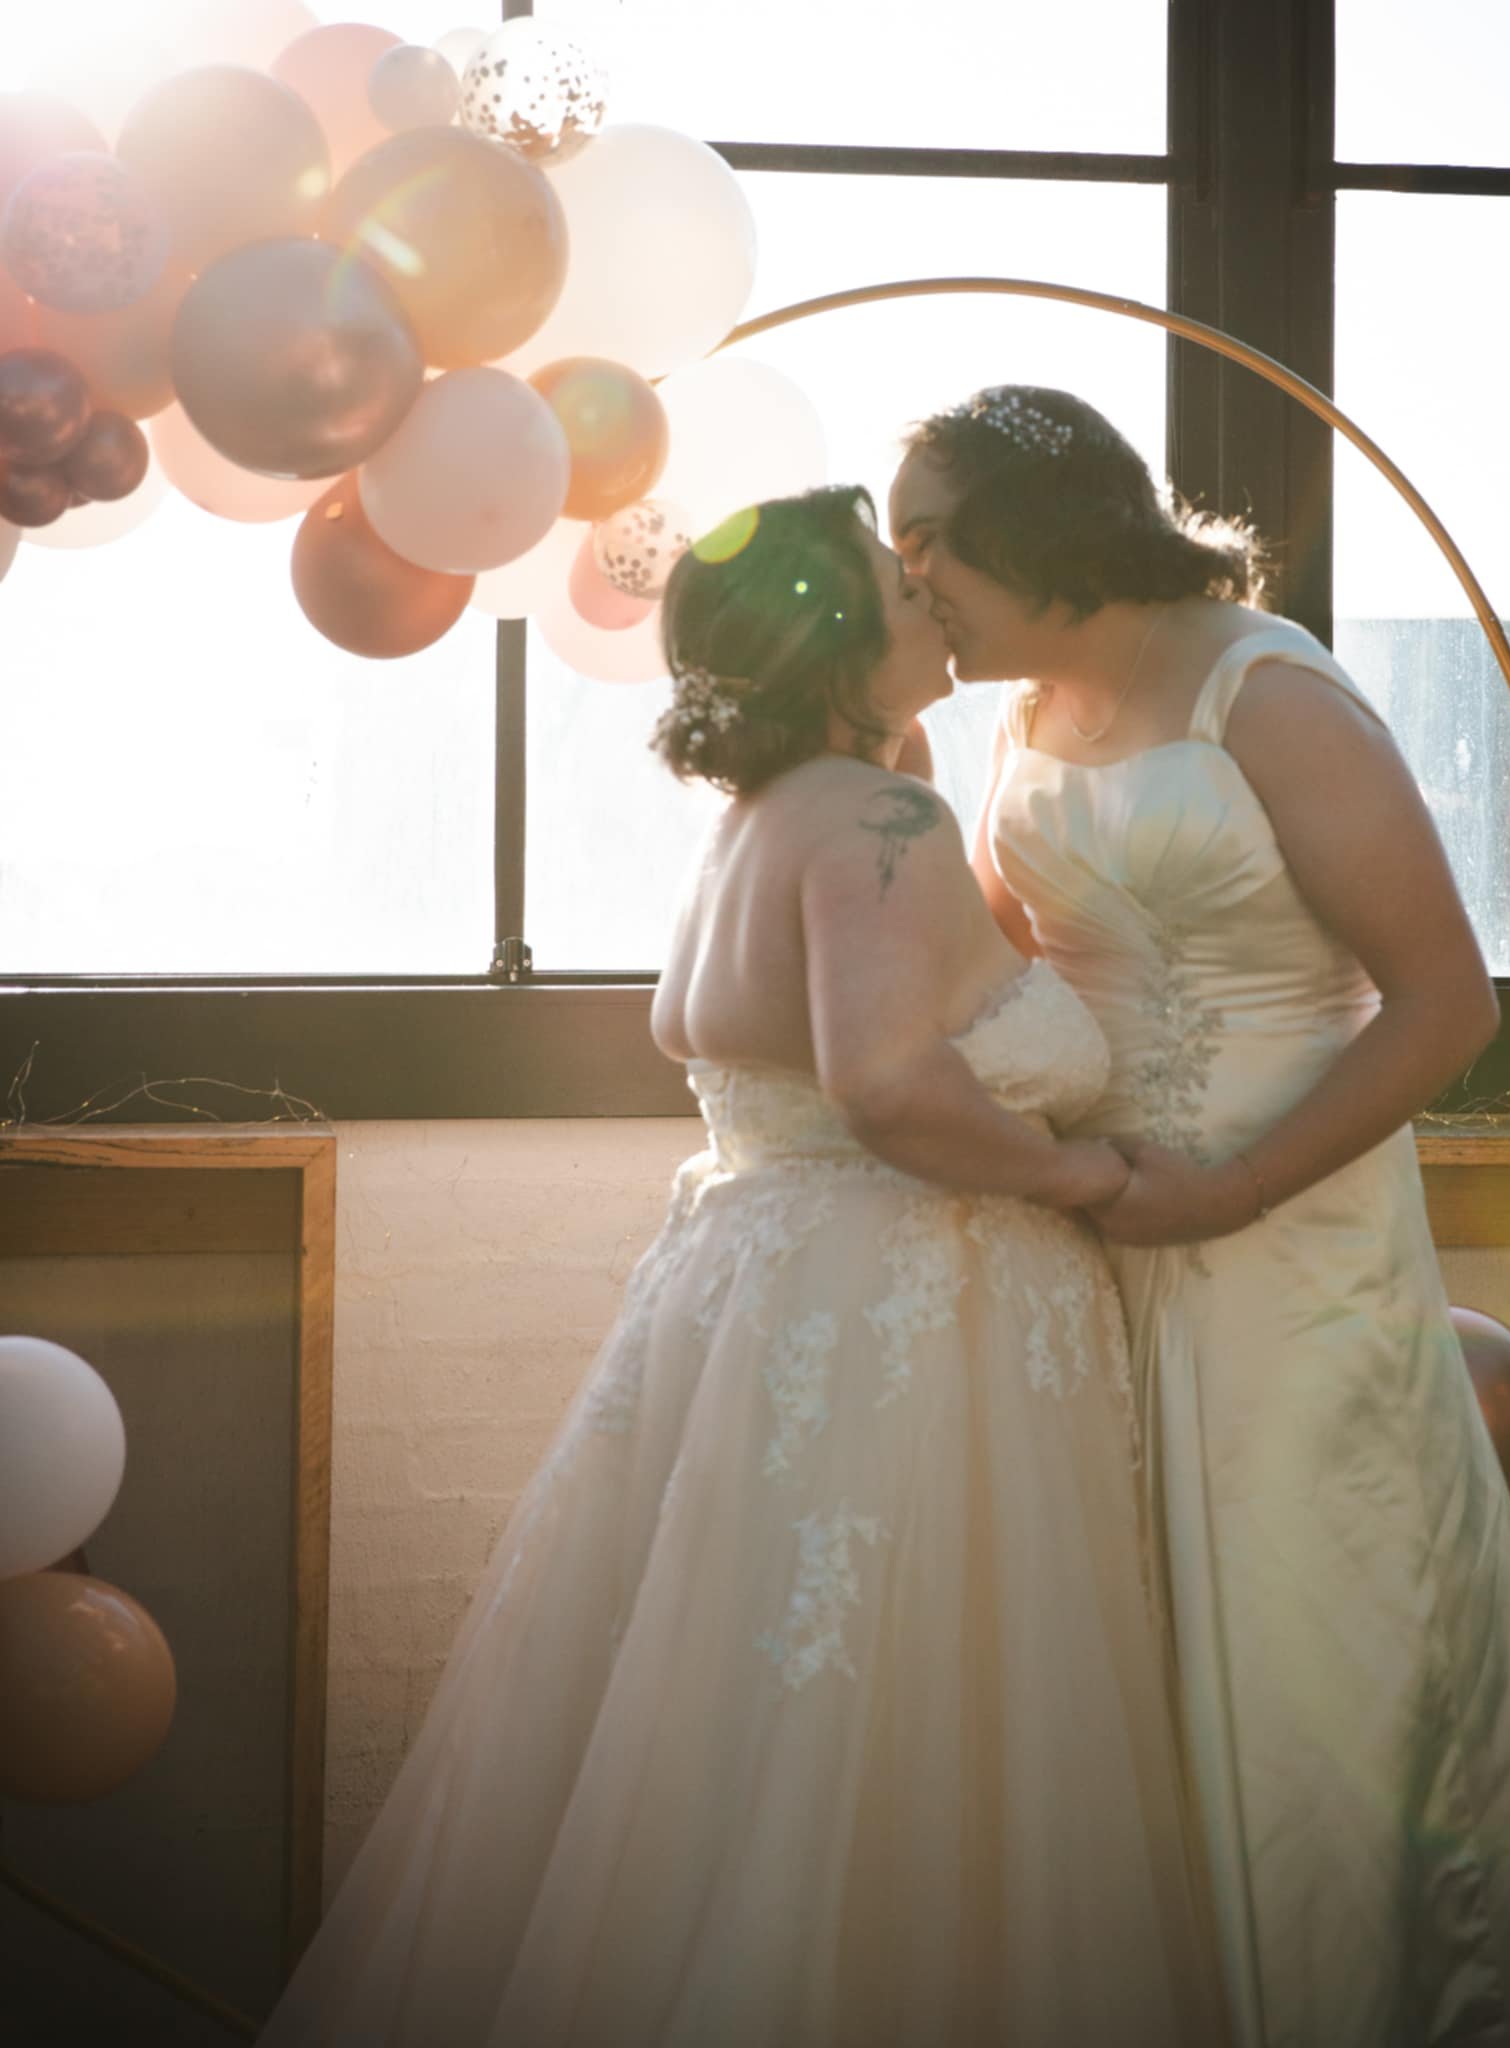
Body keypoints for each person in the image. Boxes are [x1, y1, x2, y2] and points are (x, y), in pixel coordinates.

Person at [257, 485, 1231, 2048]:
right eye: (897, 589)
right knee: (881, 1742)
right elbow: (889, 1087)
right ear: (841, 639)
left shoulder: (764, 821)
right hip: (906, 1323)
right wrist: (1087, 1171)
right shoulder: (873, 822)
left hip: (759, 1300)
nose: (933, 600)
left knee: (738, 1737)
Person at [890, 388, 1510, 2047]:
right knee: (1120, 1656)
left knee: (1306, 1654)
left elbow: (1445, 1003)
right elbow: (1001, 967)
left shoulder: (1268, 686)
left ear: (1035, 537)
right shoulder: (1009, 718)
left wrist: (1232, 1186)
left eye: (927, 544)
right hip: (1096, 1236)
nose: (907, 583)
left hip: (1291, 1238)